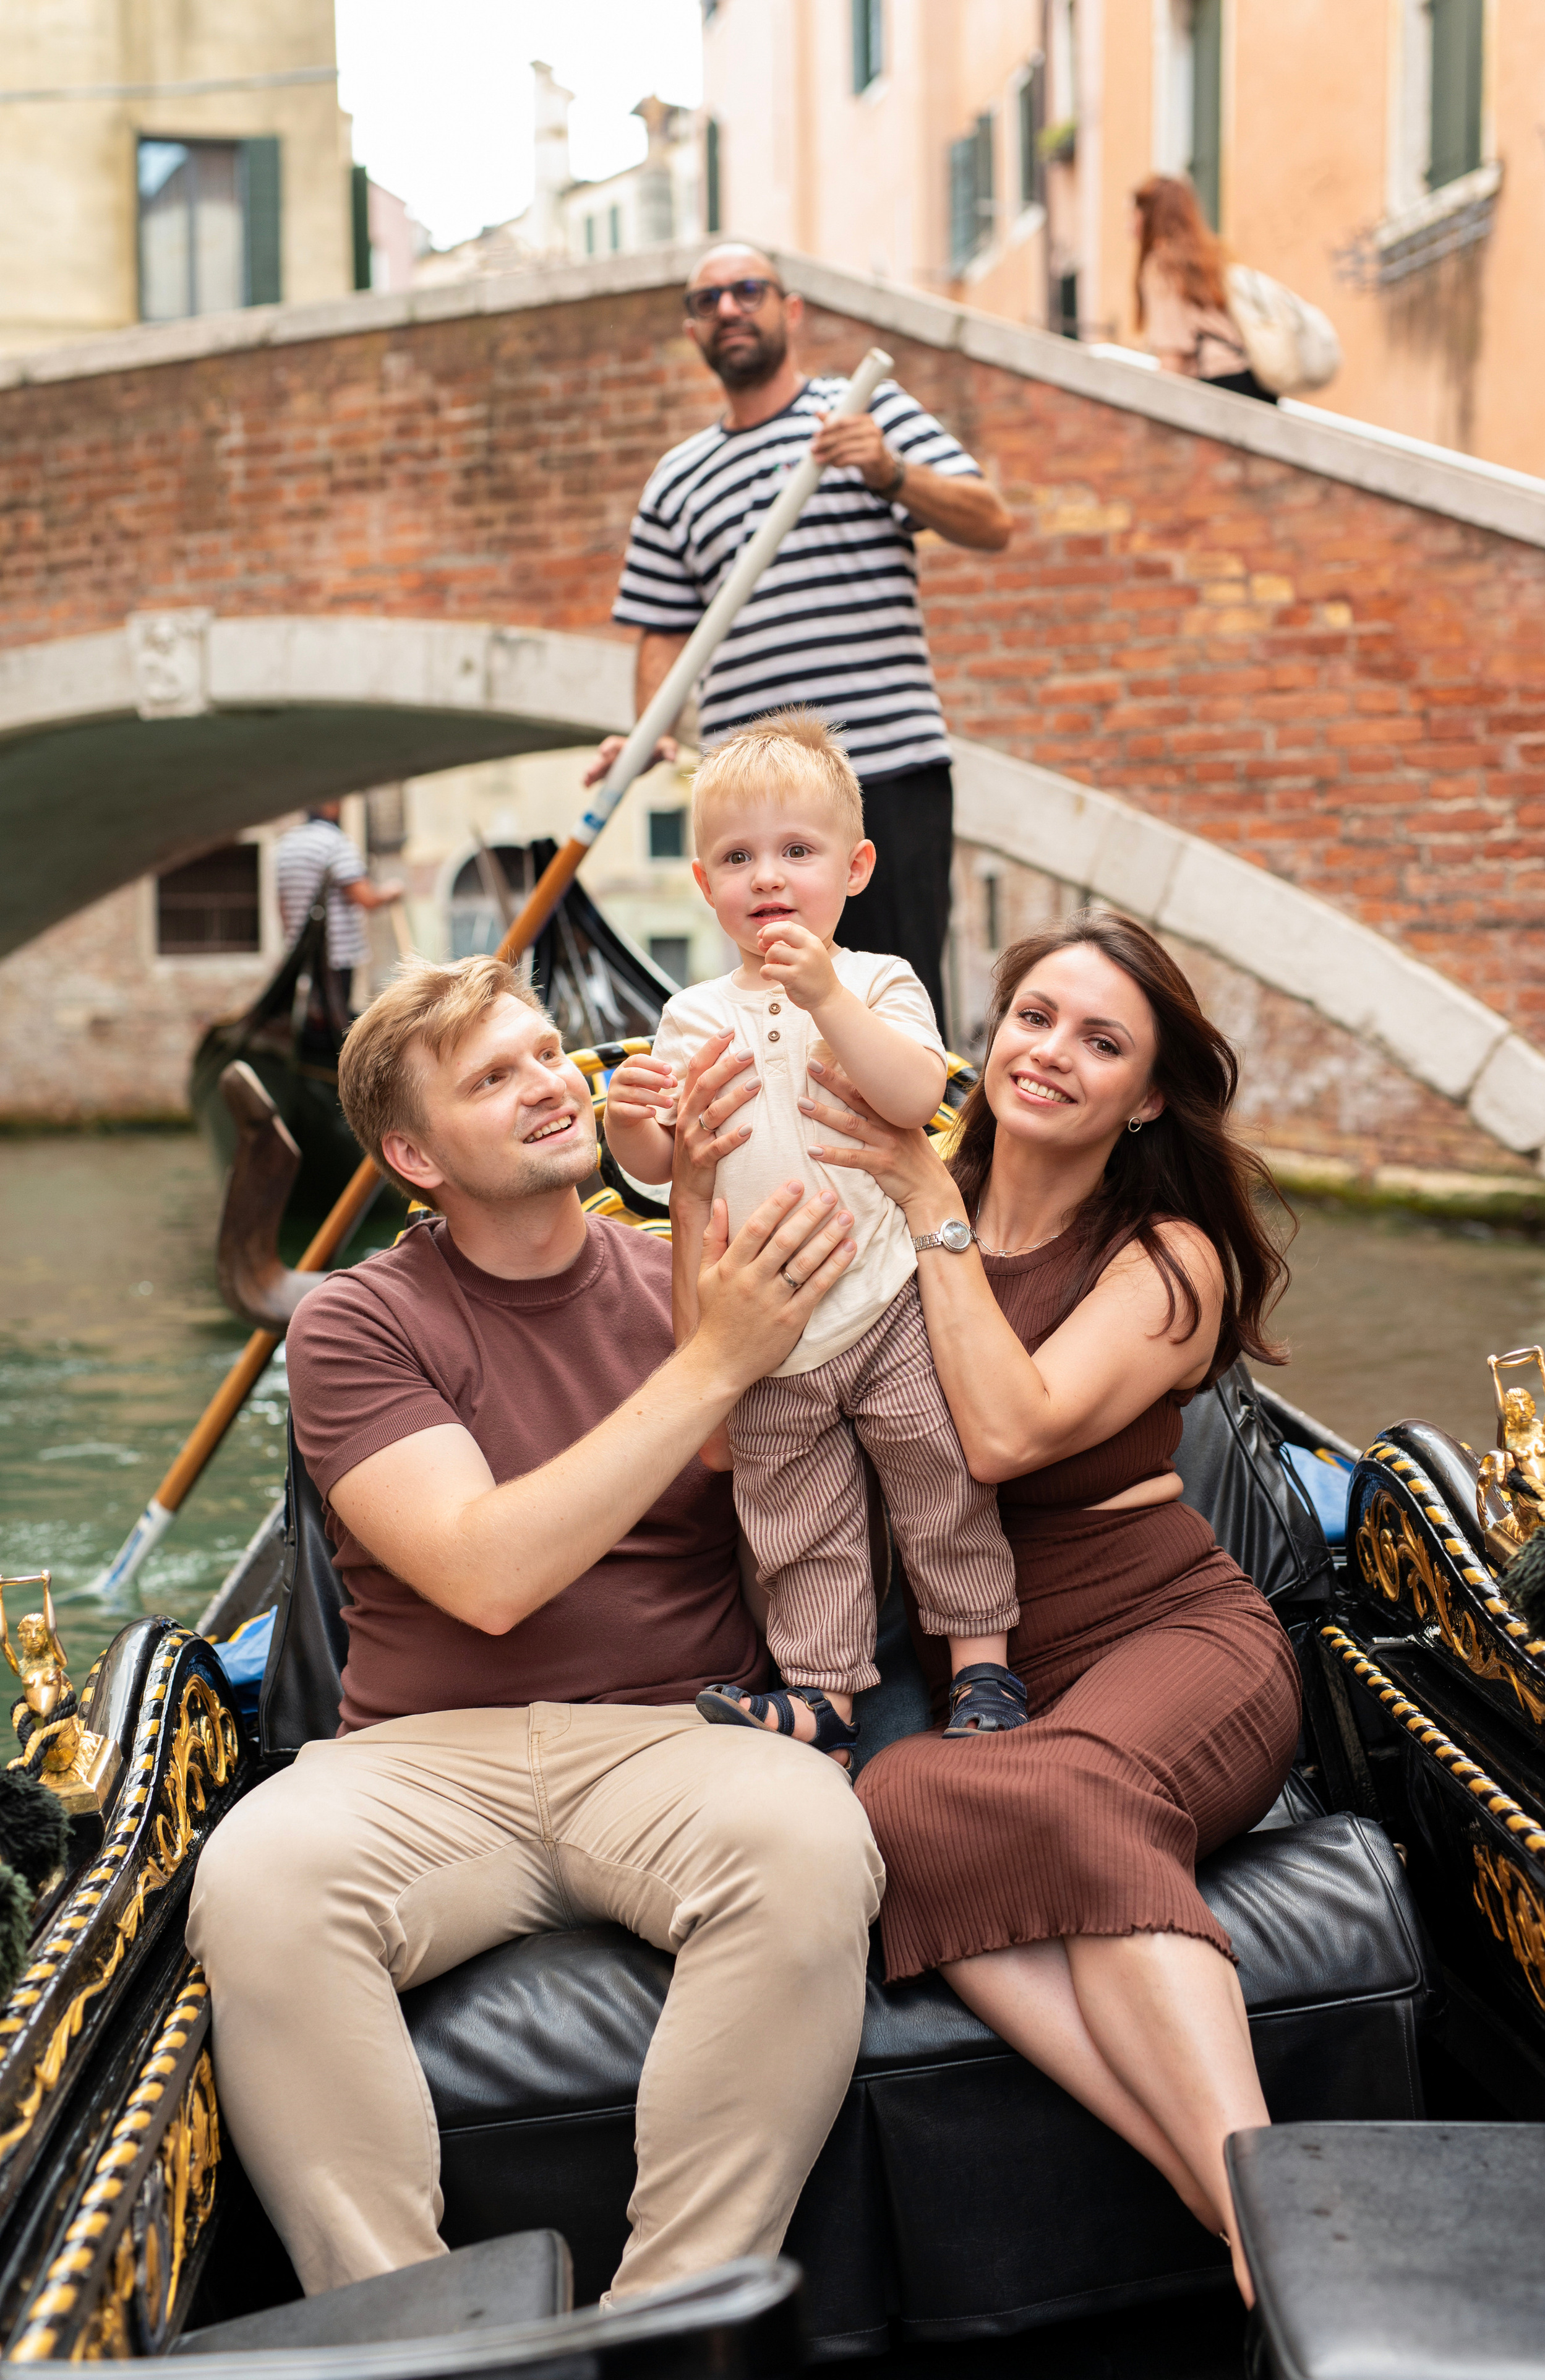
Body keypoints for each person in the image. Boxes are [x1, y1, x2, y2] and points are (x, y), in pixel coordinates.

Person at [186, 953, 884, 2305]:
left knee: (809, 1842)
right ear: (412, 1155)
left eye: (549, 1054)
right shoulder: (356, 1323)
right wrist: (716, 1362)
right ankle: (414, 2330)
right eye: (491, 1077)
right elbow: (486, 1573)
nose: (549, 1084)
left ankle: (664, 2323)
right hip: (422, 1760)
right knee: (259, 1877)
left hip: (678, 1735)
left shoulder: (695, 1275)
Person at [700, 909, 1300, 2305]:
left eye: (1101, 1042)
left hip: (1171, 1636)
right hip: (994, 1679)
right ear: (992, 1028)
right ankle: (1251, 2222)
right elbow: (747, 1402)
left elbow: (1003, 1434)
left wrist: (927, 1198)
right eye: (1034, 1017)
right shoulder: (887, 1184)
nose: (1051, 1054)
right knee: (895, 1804)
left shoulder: (1168, 1258)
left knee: (1076, 1787)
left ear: (1144, 1096)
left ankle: (1265, 2229)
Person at [604, 711, 1022, 1762]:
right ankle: (823, 1695)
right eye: (738, 858)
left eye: (797, 851)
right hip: (767, 1328)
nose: (768, 877)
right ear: (705, 884)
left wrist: (826, 994)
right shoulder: (692, 1016)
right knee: (797, 1523)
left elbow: (916, 1094)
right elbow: (659, 1167)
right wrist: (629, 1123)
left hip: (885, 1297)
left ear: (854, 867)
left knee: (939, 1476)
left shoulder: (877, 982)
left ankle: (981, 1660)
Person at [587, 240, 1014, 1033]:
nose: (727, 308)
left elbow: (990, 521)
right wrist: (651, 731)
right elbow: (663, 633)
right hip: (751, 799)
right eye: (707, 299)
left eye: (747, 290)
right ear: (692, 330)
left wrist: (888, 471)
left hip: (882, 768)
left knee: (894, 1009)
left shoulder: (864, 414)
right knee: (772, 1011)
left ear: (789, 310)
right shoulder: (677, 478)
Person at [1132, 176, 1275, 403]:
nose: (1130, 222)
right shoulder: (1211, 257)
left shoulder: (1162, 265)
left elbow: (1173, 353)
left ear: (1149, 215)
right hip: (1252, 381)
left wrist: (1156, 406)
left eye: (1135, 212)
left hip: (1216, 385)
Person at [275, 800, 403, 1013]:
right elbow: (365, 899)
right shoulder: (335, 842)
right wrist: (392, 892)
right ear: (329, 805)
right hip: (336, 955)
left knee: (312, 1014)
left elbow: (282, 905)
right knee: (337, 1016)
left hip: (300, 954)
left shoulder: (287, 845)